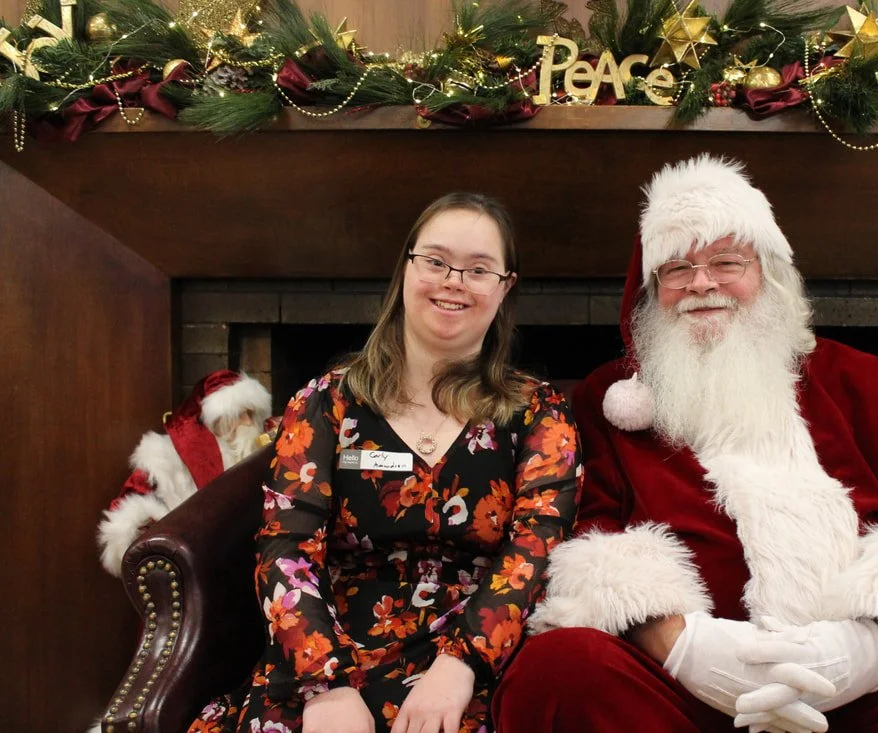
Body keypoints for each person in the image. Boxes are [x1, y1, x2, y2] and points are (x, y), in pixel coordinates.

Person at [493, 155, 878, 733]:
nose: (703, 284)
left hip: (876, 696)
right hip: (682, 697)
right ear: (653, 292)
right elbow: (590, 533)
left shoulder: (862, 382)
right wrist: (690, 650)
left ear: (768, 275)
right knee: (556, 673)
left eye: (728, 261)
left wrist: (868, 649)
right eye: (677, 269)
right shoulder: (611, 401)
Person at [188, 192, 580, 733]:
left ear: (504, 288)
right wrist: (325, 685)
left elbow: (536, 547)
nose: (453, 281)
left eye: (479, 269)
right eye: (436, 261)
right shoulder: (327, 401)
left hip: (474, 660)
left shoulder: (538, 410)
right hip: (329, 654)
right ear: (407, 269)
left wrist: (461, 664)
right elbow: (286, 546)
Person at [97, 369, 272, 576]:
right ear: (215, 420)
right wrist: (154, 524)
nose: (250, 423)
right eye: (240, 415)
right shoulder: (166, 458)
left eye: (252, 414)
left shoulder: (264, 446)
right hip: (201, 563)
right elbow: (126, 512)